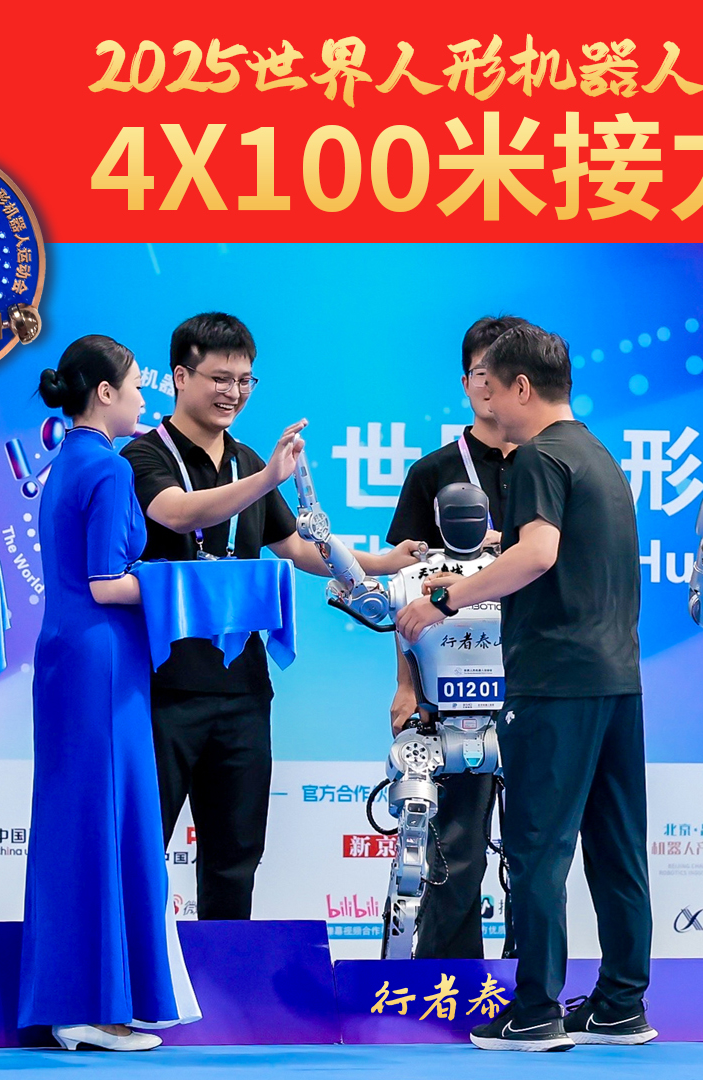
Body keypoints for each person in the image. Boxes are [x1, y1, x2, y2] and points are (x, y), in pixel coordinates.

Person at [395, 323, 653, 1051]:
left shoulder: (539, 454)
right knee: (618, 847)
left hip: (555, 682)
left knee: (538, 846)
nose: (485, 399)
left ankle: (535, 1008)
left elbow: (537, 554)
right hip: (617, 681)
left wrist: (447, 596)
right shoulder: (599, 454)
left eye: (491, 384)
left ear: (521, 386)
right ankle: (620, 1004)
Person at [123, 313, 420, 920]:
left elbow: (298, 548)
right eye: (219, 378)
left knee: (236, 852)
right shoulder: (142, 455)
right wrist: (265, 479)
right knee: (141, 848)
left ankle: (225, 970)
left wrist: (380, 562)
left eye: (244, 380)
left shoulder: (248, 460)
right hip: (159, 689)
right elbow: (178, 512)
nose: (233, 392)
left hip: (241, 690)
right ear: (179, 376)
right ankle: (135, 970)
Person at [20, 335, 196, 1051]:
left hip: (67, 656)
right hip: (101, 662)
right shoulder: (111, 468)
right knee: (110, 820)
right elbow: (106, 582)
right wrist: (185, 585)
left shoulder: (66, 462)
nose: (143, 398)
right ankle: (97, 1006)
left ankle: (78, 1000)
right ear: (103, 393)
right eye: (135, 386)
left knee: (77, 822)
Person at [382, 315, 523, 960]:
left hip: (532, 687)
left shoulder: (550, 464)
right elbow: (405, 593)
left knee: (533, 853)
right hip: (455, 691)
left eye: (505, 374)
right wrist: (406, 685)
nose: (491, 387)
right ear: (467, 382)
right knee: (453, 852)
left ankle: (530, 989)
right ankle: (447, 988)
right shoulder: (432, 472)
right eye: (481, 373)